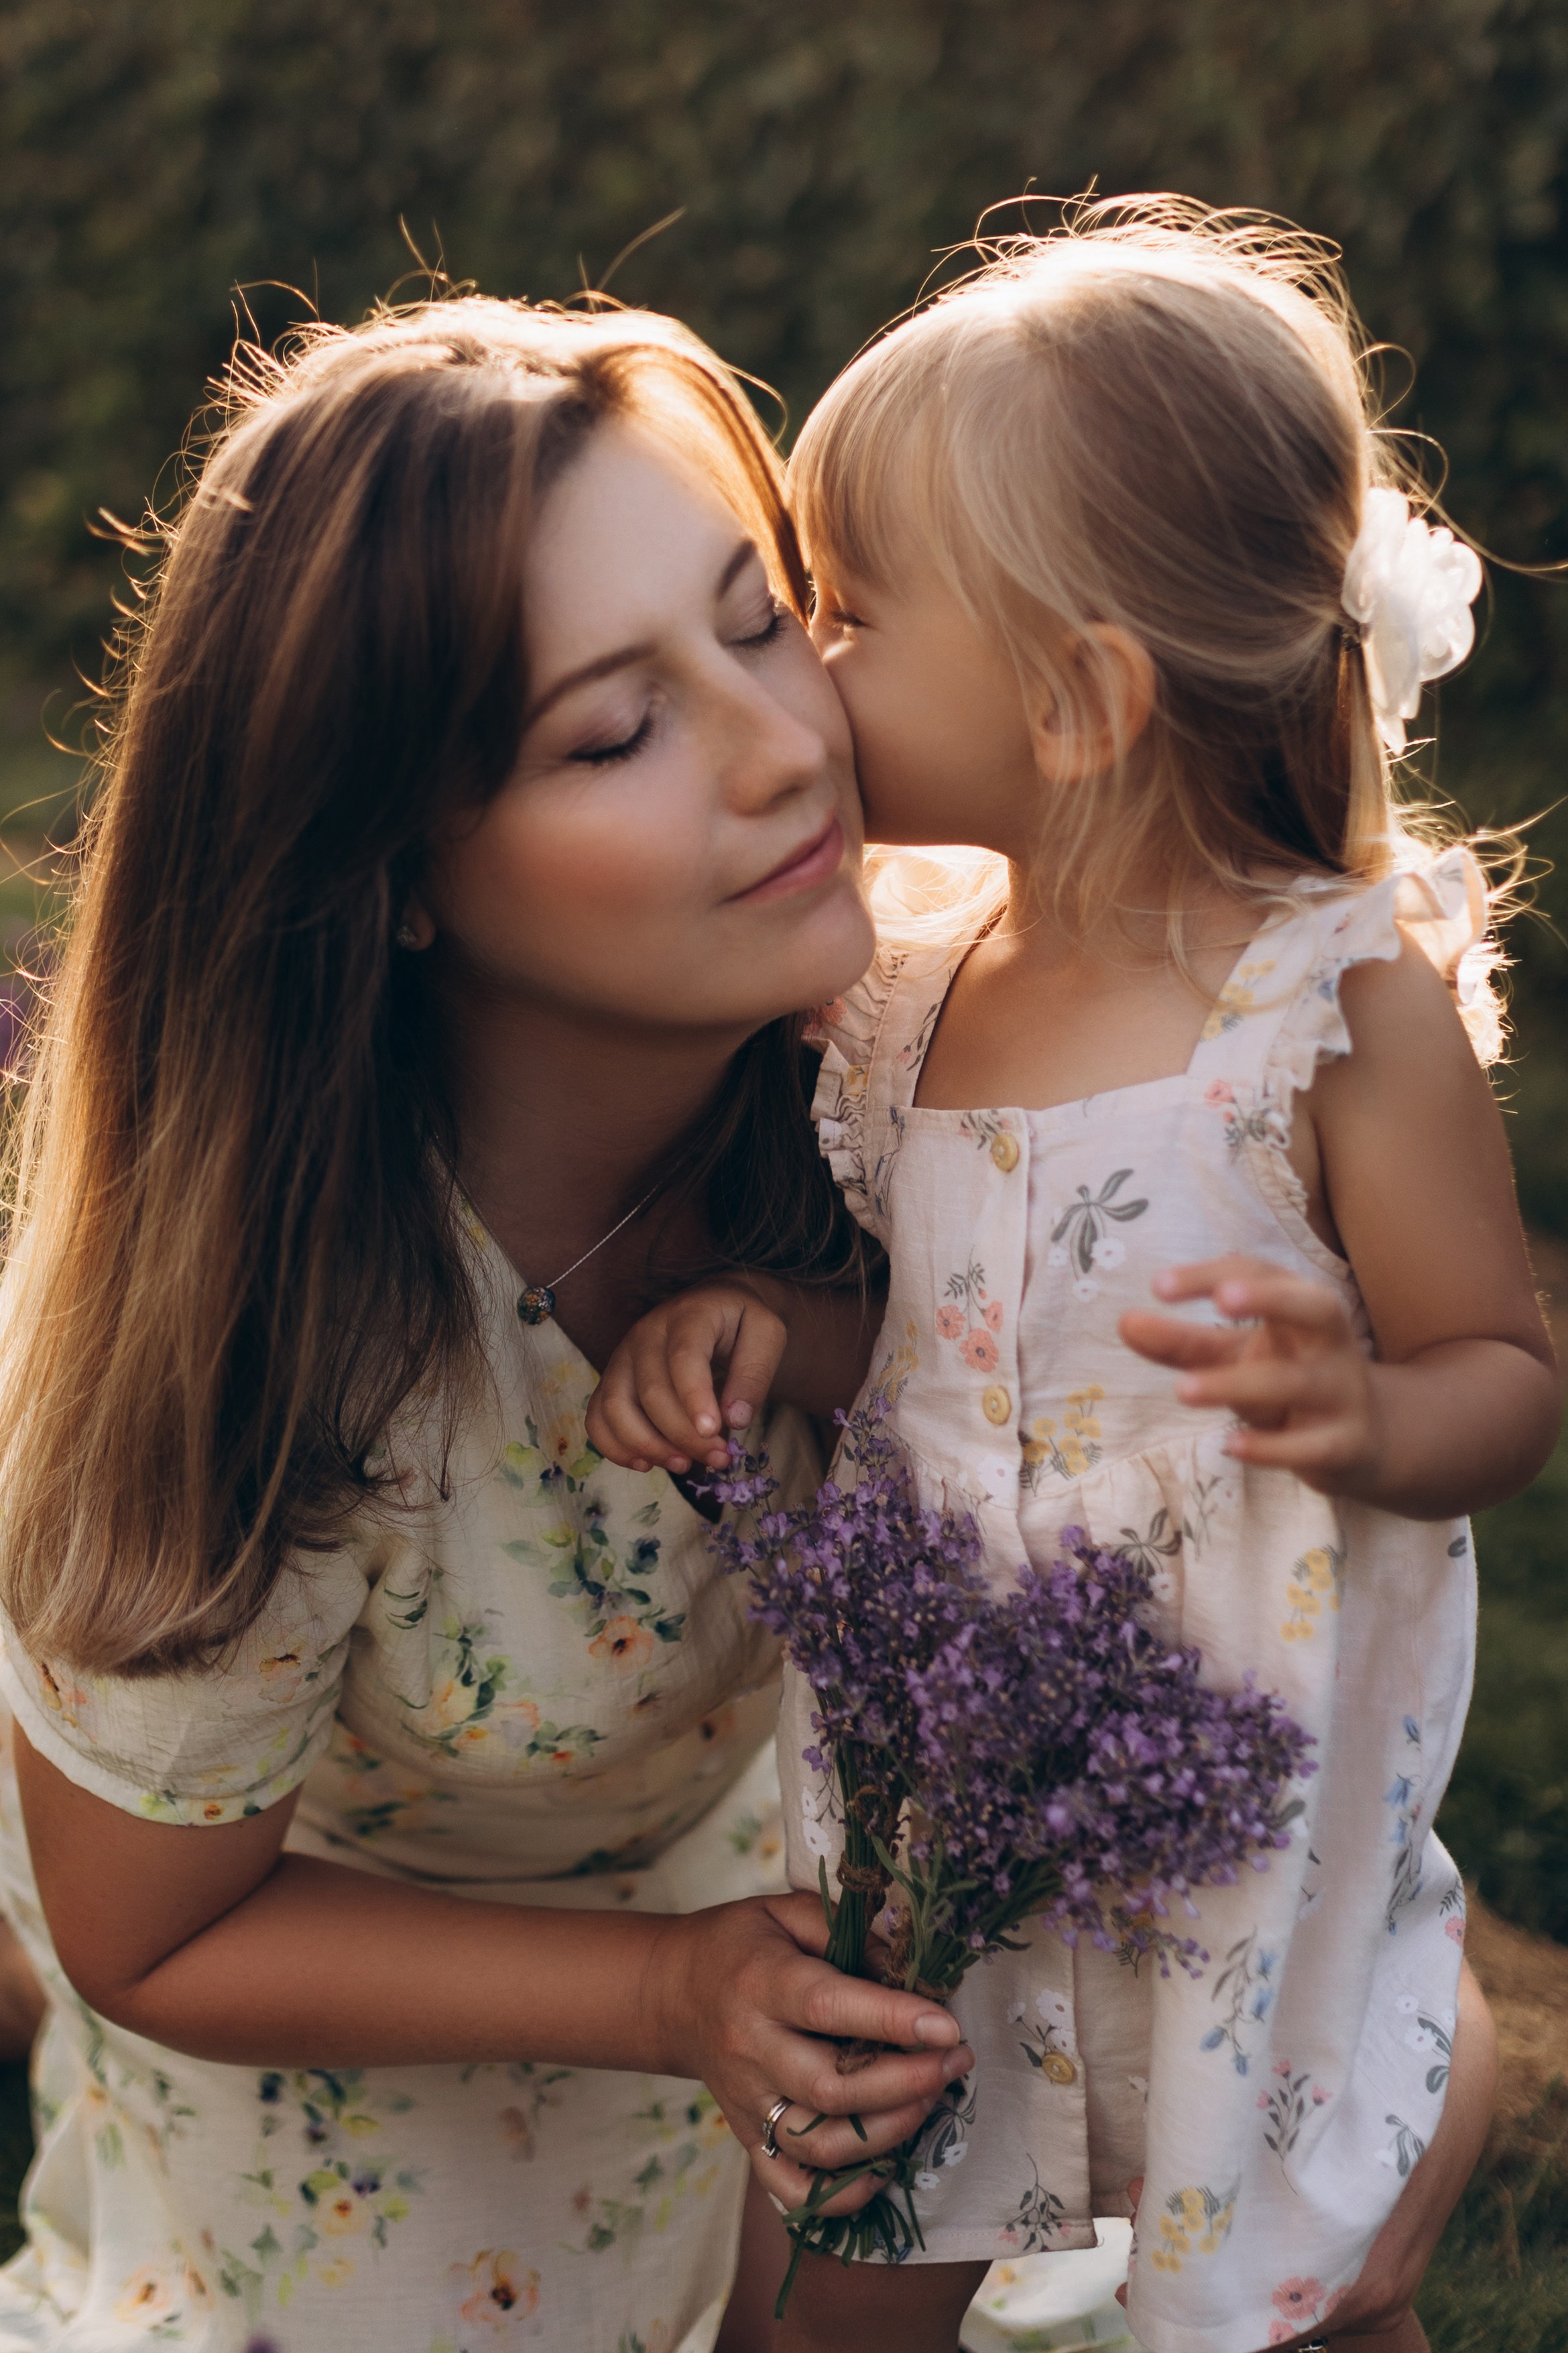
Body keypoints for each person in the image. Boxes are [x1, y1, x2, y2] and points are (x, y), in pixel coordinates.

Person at [587, 199, 1559, 2353]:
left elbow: (1502, 1366)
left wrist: (1375, 1411)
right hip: (947, 1751)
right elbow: (951, 1336)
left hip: (1228, 1786)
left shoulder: (1320, 1001)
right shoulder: (917, 985)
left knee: (1294, 2277)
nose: (803, 669)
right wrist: (791, 1336)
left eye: (845, 613)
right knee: (874, 2213)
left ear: (1075, 701)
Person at [0, 294, 980, 2353]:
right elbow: (152, 1931)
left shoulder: (926, 1056)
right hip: (320, 1952)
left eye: (759, 620)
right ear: (396, 873)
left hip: (729, 1866)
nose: (785, 744)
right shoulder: (270, 1326)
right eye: (612, 731)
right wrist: (667, 1994)